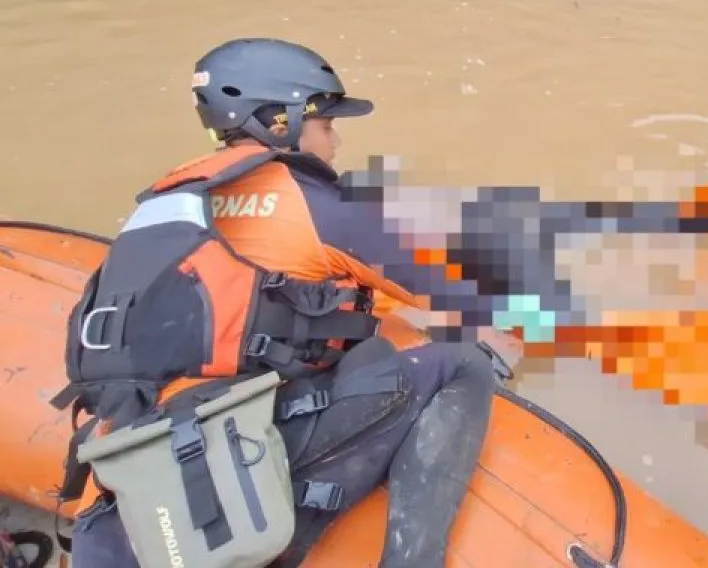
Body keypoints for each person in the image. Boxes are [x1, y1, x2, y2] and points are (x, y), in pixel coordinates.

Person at [60, 38, 496, 568]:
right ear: (280, 121)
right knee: (463, 365)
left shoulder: (167, 200)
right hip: (224, 465)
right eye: (326, 124)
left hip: (125, 470)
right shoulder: (313, 202)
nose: (334, 141)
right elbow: (454, 287)